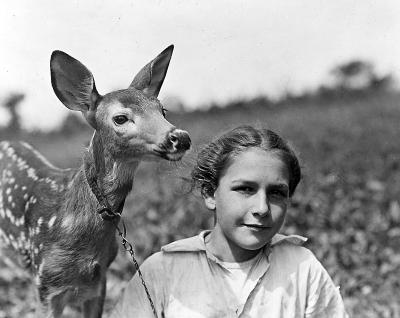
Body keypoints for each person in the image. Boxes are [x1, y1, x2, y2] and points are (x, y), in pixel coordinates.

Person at [110, 125, 348, 318]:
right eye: (245, 189)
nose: (262, 208)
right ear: (210, 193)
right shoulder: (162, 271)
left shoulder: (301, 267)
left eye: (276, 193)